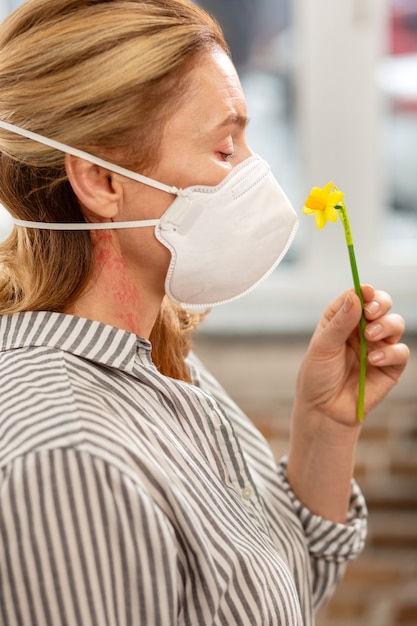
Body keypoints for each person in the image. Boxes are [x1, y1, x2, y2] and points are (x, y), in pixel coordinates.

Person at [0, 1, 409, 625]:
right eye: (224, 149)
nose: (255, 176)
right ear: (101, 182)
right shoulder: (68, 458)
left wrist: (325, 428)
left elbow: (272, 597)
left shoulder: (164, 365)